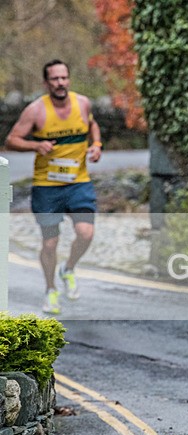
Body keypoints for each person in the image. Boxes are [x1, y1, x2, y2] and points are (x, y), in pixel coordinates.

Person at [4, 59, 102, 315]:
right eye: (55, 79)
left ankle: (68, 268)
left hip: (78, 182)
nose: (60, 83)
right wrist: (36, 145)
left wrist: (96, 145)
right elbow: (12, 140)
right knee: (50, 243)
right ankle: (50, 290)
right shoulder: (35, 110)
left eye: (64, 78)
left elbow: (92, 125)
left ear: (69, 80)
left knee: (86, 233)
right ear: (46, 83)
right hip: (47, 186)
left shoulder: (82, 103)